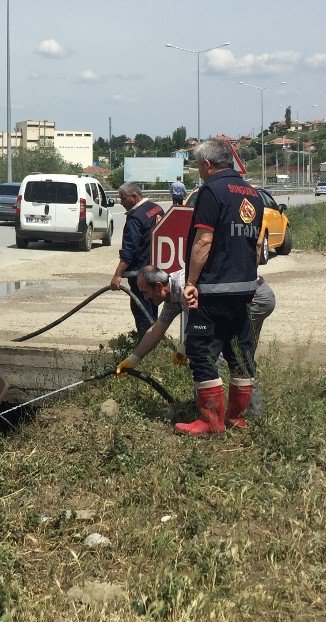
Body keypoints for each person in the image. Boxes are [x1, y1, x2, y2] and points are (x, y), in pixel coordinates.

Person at [144, 139, 264, 436]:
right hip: (246, 287)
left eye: (197, 165)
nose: (198, 171)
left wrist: (192, 283)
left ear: (207, 165)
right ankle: (237, 417)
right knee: (239, 352)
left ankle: (211, 422)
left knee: (202, 352)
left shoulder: (211, 191)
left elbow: (203, 241)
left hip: (215, 288)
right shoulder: (253, 194)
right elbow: (257, 244)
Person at [116, 266, 275, 427]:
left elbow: (206, 327)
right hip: (244, 296)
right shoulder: (172, 297)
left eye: (144, 292)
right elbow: (157, 329)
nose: (145, 298)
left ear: (158, 286)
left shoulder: (184, 287)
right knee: (231, 353)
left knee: (220, 355)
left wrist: (186, 348)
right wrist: (132, 360)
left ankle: (227, 415)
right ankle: (222, 412)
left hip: (256, 297)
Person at [109, 182, 163, 338]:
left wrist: (117, 274)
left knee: (142, 314)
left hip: (139, 275)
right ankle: (155, 347)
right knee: (153, 312)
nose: (121, 202)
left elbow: (129, 250)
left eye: (123, 198)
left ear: (135, 196)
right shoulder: (156, 208)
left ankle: (145, 350)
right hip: (156, 270)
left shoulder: (135, 218)